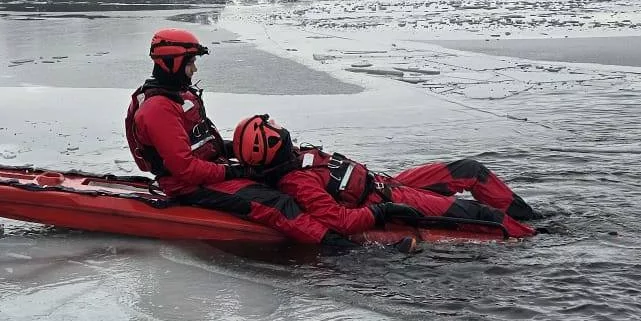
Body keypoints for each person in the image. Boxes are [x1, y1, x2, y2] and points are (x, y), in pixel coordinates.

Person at [123, 28, 350, 252]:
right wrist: (239, 172)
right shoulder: (158, 110)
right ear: (172, 62)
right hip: (188, 186)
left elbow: (207, 143)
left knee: (285, 169)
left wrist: (257, 154)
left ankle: (345, 209)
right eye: (190, 62)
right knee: (279, 204)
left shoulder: (179, 96)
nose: (194, 69)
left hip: (211, 171)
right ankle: (341, 247)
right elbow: (186, 170)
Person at [229, 114, 543, 238]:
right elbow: (339, 221)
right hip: (390, 199)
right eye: (277, 131)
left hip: (389, 182)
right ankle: (534, 239)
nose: (283, 129)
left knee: (471, 170)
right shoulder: (298, 182)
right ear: (272, 145)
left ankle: (533, 219)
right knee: (482, 215)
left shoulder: (292, 158)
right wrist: (382, 211)